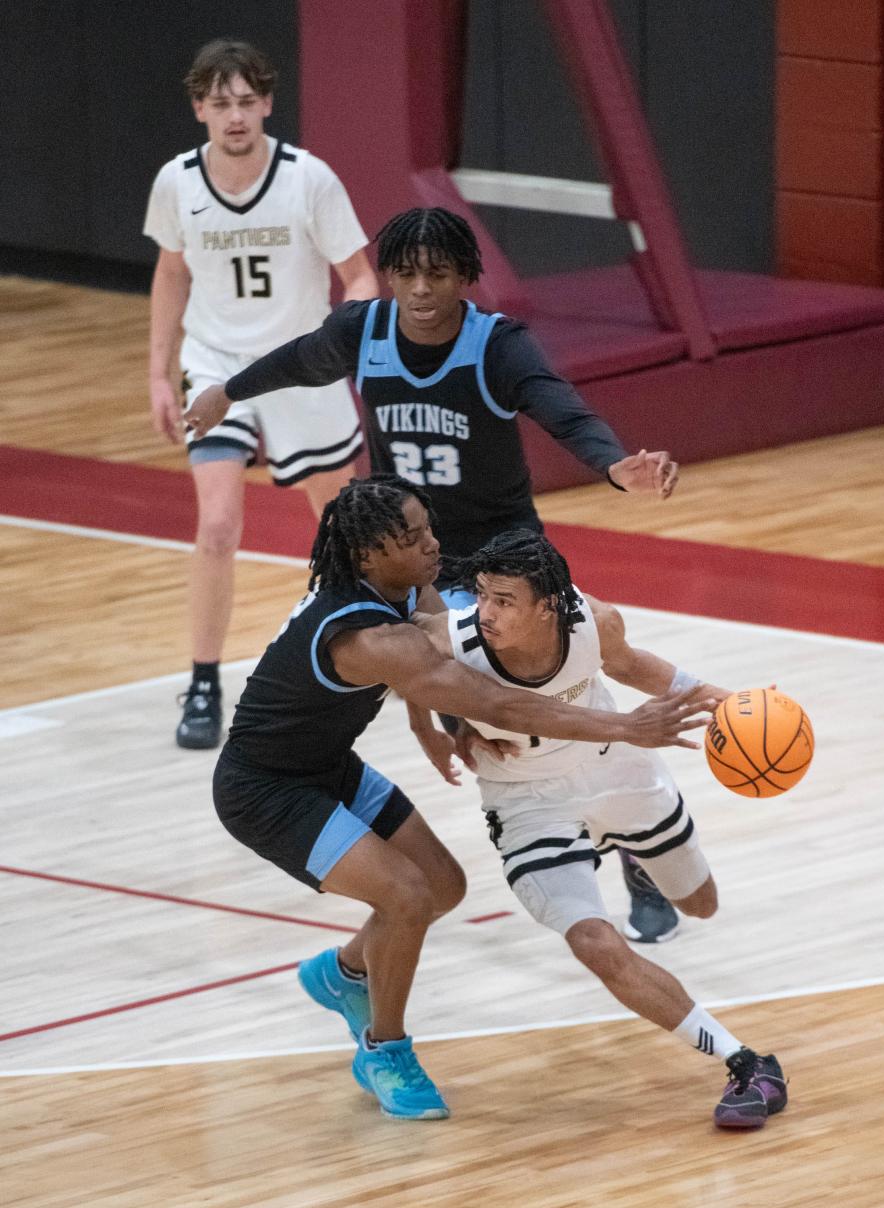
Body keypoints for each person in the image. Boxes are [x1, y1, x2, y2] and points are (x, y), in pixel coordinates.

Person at [183, 205, 680, 938]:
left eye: (438, 273)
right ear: (389, 276)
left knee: (561, 685)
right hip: (410, 561)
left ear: (464, 279)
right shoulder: (366, 331)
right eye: (406, 272)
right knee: (484, 720)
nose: (420, 288)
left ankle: (631, 835)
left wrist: (614, 465)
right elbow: (301, 359)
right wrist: (228, 391)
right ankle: (536, 816)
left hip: (506, 557)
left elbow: (561, 410)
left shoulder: (497, 346)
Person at [212, 474, 713, 1121]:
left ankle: (343, 974)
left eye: (429, 528)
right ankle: (384, 1050)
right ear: (368, 554)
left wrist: (434, 723)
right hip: (264, 788)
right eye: (413, 536)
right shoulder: (367, 636)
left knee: (443, 885)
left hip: (327, 765)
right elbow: (493, 698)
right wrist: (623, 726)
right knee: (407, 896)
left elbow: (443, 658)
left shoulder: (401, 582)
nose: (432, 545)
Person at [413, 529, 788, 1129]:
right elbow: (409, 666)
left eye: (504, 600)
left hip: (618, 769)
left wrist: (728, 699)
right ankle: (745, 1062)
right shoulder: (453, 639)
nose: (485, 613)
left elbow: (634, 665)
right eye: (481, 595)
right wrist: (441, 723)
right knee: (595, 942)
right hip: (526, 800)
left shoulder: (594, 621)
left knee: (700, 905)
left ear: (548, 606)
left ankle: (631, 852)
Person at [144, 38, 379, 750]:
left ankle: (369, 655)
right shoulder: (177, 182)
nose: (236, 115)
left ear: (269, 103)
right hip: (216, 367)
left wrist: (345, 344)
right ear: (199, 109)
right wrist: (158, 371)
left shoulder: (309, 178)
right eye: (221, 103)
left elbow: (361, 277)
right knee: (216, 525)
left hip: (301, 365)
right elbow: (171, 276)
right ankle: (205, 680)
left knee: (343, 532)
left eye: (247, 101)